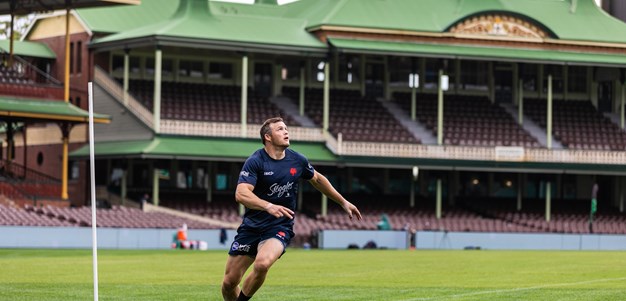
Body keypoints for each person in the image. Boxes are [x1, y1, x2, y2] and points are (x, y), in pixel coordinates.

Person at [221, 117, 362, 301]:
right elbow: (241, 194)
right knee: (229, 283)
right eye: (280, 129)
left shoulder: (298, 160)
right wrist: (268, 206)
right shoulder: (255, 161)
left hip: (279, 226)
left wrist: (343, 202)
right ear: (268, 137)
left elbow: (318, 179)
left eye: (286, 128)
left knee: (262, 264)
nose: (286, 131)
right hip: (251, 226)